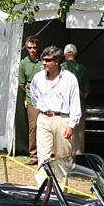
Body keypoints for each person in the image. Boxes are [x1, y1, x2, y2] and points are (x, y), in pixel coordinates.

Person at [28, 45, 81, 180]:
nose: (44, 63)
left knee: (62, 159)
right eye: (43, 60)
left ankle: (61, 194)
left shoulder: (70, 79)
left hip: (62, 119)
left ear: (57, 61)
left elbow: (75, 103)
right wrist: (42, 108)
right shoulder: (38, 78)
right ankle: (42, 194)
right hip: (44, 118)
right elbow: (33, 95)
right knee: (43, 158)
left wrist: (71, 124)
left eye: (47, 60)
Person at [60, 44, 90, 154]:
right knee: (78, 132)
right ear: (76, 54)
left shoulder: (59, 68)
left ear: (64, 54)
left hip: (62, 103)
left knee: (62, 128)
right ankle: (77, 157)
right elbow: (86, 91)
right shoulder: (82, 69)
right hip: (78, 102)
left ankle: (63, 155)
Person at [18, 36, 42, 163]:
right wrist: (31, 92)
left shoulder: (44, 60)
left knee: (48, 125)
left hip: (47, 99)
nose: (32, 50)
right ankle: (34, 155)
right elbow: (22, 84)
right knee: (33, 127)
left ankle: (51, 155)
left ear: (38, 47)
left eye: (34, 47)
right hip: (32, 100)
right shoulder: (23, 63)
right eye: (29, 48)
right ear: (26, 48)